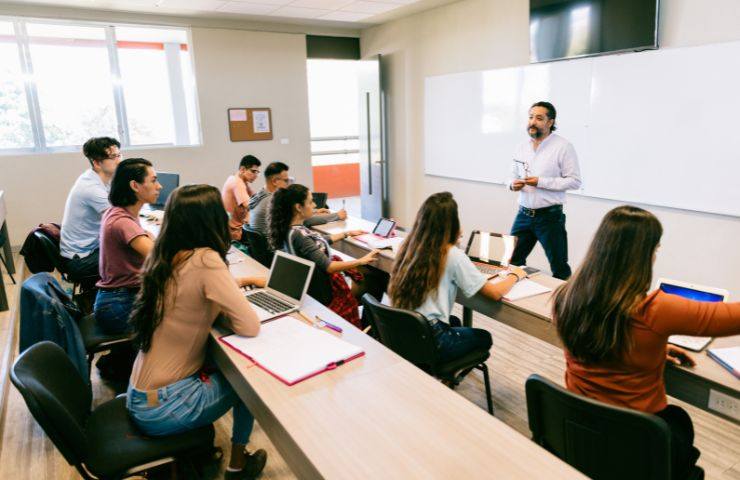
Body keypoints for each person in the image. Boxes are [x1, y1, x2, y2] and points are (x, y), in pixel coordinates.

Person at [553, 205, 740, 480]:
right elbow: (731, 318)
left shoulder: (566, 296)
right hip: (635, 443)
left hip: (580, 430)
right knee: (678, 423)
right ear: (642, 255)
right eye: (655, 249)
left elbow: (602, 339)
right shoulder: (654, 310)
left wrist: (650, 347)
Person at [127, 185, 268, 479]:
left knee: (226, 365)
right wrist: (229, 306)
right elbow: (249, 326)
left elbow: (189, 299)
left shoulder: (165, 254)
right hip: (165, 406)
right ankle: (238, 466)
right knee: (250, 381)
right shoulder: (206, 259)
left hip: (141, 396)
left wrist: (231, 291)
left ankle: (210, 457)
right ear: (212, 219)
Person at [389, 192, 526, 363]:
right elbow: (495, 293)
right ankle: (445, 376)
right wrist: (515, 275)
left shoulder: (408, 246)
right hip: (432, 338)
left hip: (403, 330)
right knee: (484, 337)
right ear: (452, 224)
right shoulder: (452, 255)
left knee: (455, 321)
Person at [267, 184, 379, 327]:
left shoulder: (289, 230)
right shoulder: (299, 235)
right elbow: (330, 267)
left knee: (368, 275)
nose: (314, 205)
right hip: (326, 292)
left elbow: (313, 244)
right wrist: (361, 260)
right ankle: (367, 327)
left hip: (309, 288)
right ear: (298, 207)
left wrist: (346, 234)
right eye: (310, 202)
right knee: (376, 278)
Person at [508, 101, 581, 280]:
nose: (533, 122)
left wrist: (541, 182)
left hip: (549, 218)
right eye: (531, 117)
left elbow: (574, 181)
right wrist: (511, 184)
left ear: (550, 122)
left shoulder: (563, 146)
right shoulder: (521, 146)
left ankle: (563, 306)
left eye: (539, 118)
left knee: (559, 267)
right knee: (511, 262)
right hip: (523, 215)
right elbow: (510, 175)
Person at [94, 158, 160, 335]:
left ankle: (120, 359)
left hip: (116, 300)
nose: (159, 186)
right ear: (135, 186)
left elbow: (150, 240)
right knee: (187, 316)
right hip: (119, 306)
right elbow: (160, 258)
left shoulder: (120, 212)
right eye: (153, 180)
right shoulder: (123, 221)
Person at [60, 137, 122, 284]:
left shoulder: (98, 179)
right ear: (96, 163)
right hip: (81, 261)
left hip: (90, 249)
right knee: (136, 256)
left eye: (119, 155)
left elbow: (119, 207)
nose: (119, 160)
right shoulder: (91, 188)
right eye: (113, 157)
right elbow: (119, 221)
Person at [249, 162, 346, 237]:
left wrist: (314, 211)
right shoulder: (273, 201)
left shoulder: (261, 194)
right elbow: (305, 220)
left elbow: (294, 213)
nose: (288, 184)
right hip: (274, 251)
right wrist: (337, 215)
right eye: (286, 180)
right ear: (274, 181)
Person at [222, 154, 261, 241]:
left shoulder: (237, 179)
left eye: (257, 172)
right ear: (242, 169)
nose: (256, 175)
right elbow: (251, 206)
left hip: (234, 229)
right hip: (236, 233)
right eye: (253, 171)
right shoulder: (237, 183)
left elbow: (256, 197)